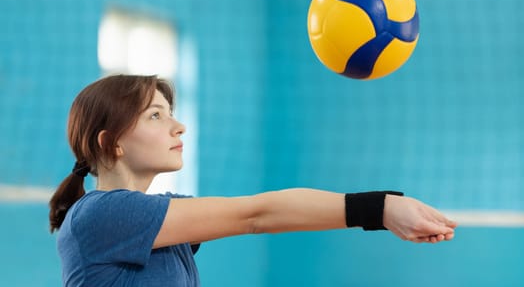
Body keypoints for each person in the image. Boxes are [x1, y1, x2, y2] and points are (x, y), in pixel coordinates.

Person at [49, 74, 457, 287]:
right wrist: (381, 208)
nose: (179, 126)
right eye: (156, 115)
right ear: (111, 142)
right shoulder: (104, 215)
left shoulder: (159, 219)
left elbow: (267, 213)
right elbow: (255, 214)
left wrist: (383, 208)